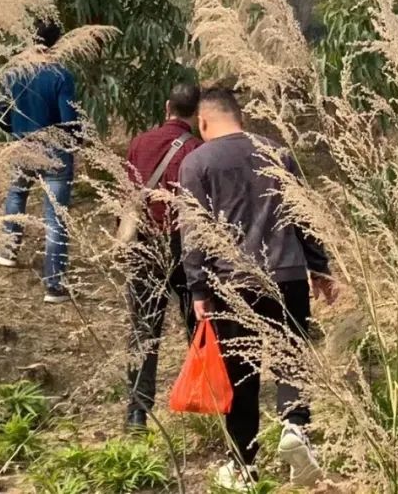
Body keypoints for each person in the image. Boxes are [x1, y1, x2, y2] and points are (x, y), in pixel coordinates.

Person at [179, 86, 336, 491]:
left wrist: (198, 289)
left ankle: (244, 467)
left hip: (234, 283)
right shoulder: (276, 151)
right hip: (286, 274)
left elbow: (193, 231)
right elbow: (302, 214)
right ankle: (294, 428)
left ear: (203, 122)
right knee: (291, 356)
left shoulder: (196, 162)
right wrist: (319, 267)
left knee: (242, 375)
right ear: (241, 117)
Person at [122, 82, 203, 432]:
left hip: (144, 245)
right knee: (197, 324)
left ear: (168, 106)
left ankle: (138, 412)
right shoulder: (198, 150)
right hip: (182, 247)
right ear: (197, 114)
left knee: (144, 329)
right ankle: (201, 401)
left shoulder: (139, 142)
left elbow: (126, 193)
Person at [0, 20, 79, 303]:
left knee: (17, 195)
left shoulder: (13, 72)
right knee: (55, 216)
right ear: (56, 41)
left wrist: (16, 133)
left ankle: (8, 250)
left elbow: (0, 114)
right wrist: (76, 142)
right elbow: (69, 120)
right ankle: (53, 284)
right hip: (54, 151)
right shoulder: (61, 75)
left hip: (22, 146)